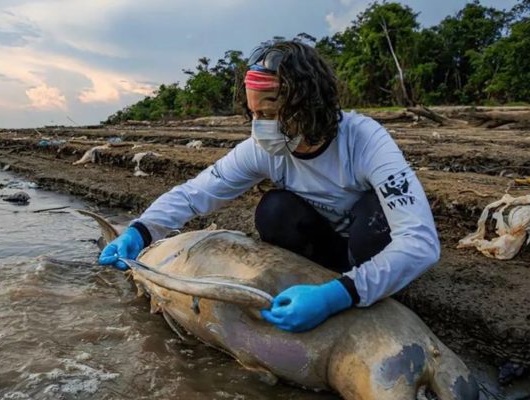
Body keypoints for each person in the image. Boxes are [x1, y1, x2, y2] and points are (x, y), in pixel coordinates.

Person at [99, 40, 440, 333]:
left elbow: (420, 243)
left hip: (366, 247)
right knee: (274, 210)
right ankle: (314, 287)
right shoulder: (264, 149)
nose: (262, 126)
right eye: (254, 115)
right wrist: (140, 231)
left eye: (272, 112)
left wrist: (338, 295)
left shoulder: (365, 141)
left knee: (375, 214)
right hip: (323, 250)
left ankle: (362, 289)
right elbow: (197, 193)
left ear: (310, 104)